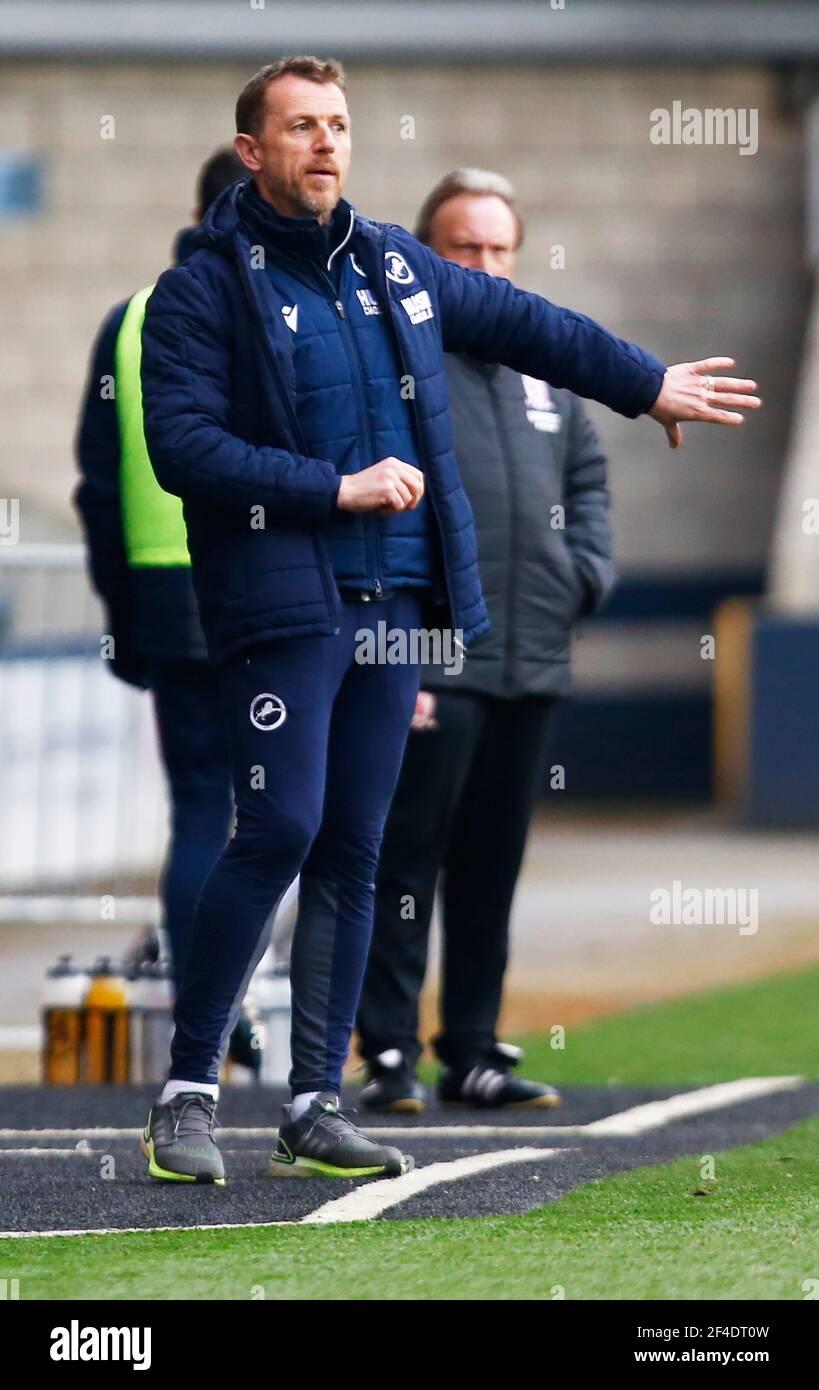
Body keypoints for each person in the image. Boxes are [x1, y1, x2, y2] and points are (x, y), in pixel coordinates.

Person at [137, 55, 760, 1185]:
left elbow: (530, 322)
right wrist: (335, 487)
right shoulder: (202, 289)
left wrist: (646, 381)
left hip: (401, 604)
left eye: (339, 125)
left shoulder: (396, 266)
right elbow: (180, 448)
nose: (327, 144)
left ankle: (318, 1101)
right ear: (252, 152)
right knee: (276, 832)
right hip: (284, 602)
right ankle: (187, 1092)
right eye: (301, 128)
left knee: (356, 848)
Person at [357, 169, 616, 1111]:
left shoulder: (547, 368)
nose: (485, 264)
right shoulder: (394, 355)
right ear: (430, 254)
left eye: (499, 248)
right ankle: (386, 1054)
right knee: (404, 856)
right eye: (465, 247)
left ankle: (472, 1049)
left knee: (492, 863)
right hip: (435, 656)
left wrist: (583, 574)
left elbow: (587, 482)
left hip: (531, 655)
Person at [75, 150, 258, 1059]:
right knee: (288, 815)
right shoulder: (283, 301)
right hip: (268, 592)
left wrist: (123, 621)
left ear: (194, 210)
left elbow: (100, 489)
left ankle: (207, 1027)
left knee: (201, 812)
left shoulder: (134, 317)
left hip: (166, 597)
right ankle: (282, 1025)